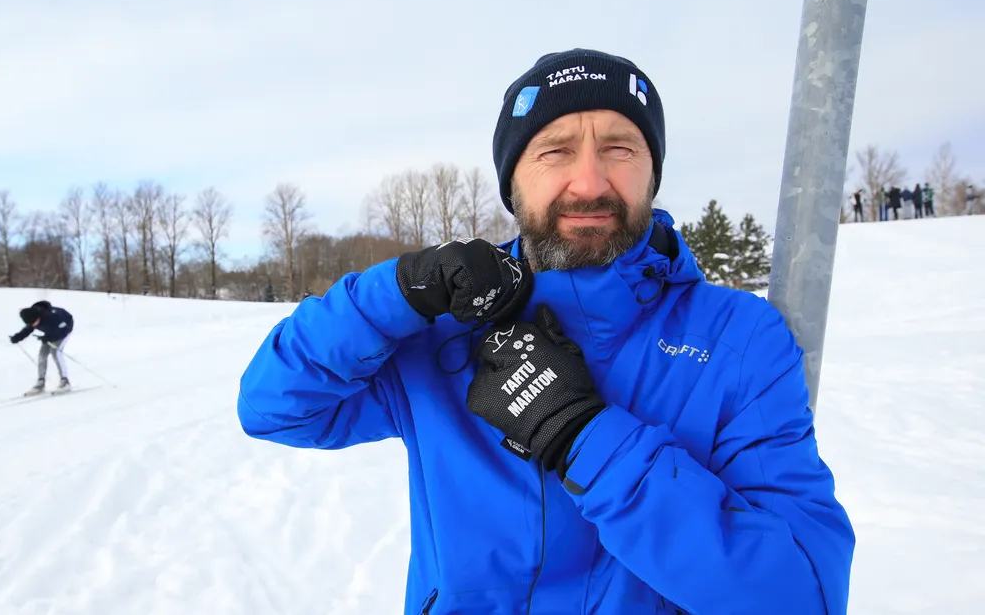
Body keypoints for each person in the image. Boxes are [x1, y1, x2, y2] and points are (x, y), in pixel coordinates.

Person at [237, 48, 855, 614]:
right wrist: (395, 293)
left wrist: (582, 433)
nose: (588, 182)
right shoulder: (444, 330)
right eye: (555, 151)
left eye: (620, 148)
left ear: (652, 172)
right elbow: (276, 406)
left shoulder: (738, 339)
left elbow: (800, 593)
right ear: (513, 181)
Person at [10, 300, 73, 393]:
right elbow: (28, 329)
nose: (34, 325)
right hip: (50, 333)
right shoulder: (33, 317)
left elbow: (62, 329)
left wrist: (47, 337)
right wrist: (17, 337)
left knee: (56, 353)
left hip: (64, 329)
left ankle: (65, 381)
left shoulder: (53, 316)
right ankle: (41, 382)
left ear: (38, 317)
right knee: (42, 355)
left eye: (34, 322)